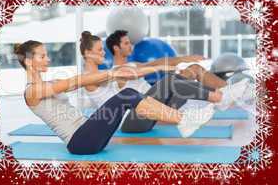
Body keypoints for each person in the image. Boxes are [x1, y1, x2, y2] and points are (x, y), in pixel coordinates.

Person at [14, 39, 218, 155]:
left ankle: (182, 119)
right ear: (30, 62)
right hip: (79, 142)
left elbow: (81, 80)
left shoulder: (47, 85)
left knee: (131, 96)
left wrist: (118, 73)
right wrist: (112, 74)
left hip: (90, 135)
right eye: (42, 56)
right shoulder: (32, 91)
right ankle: (184, 121)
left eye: (46, 54)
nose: (48, 58)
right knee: (127, 95)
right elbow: (76, 81)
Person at [81, 31, 250, 135]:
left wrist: (179, 60)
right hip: (128, 122)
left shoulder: (107, 72)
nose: (104, 53)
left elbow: (133, 71)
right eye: (99, 50)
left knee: (179, 78)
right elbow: (124, 74)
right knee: (170, 81)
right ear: (88, 53)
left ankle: (226, 95)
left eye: (103, 49)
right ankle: (221, 98)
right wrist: (160, 66)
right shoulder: (90, 77)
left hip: (146, 113)